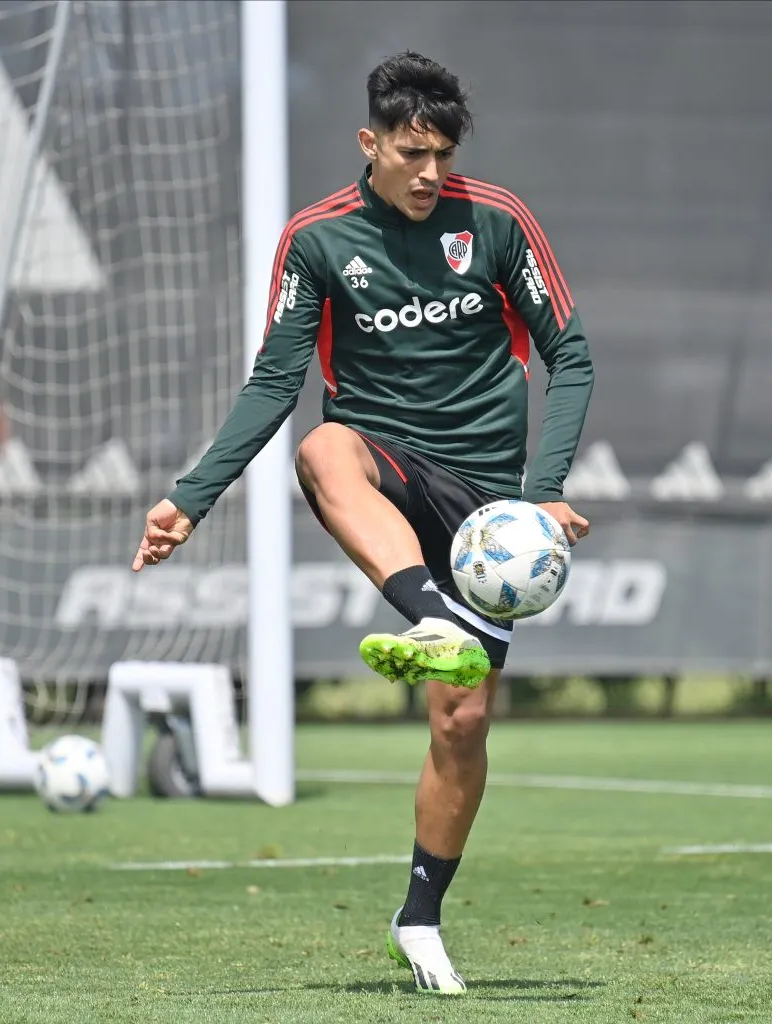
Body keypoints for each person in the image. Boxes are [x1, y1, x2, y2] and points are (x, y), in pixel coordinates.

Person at [131, 51, 594, 995]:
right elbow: (276, 380)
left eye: (443, 153)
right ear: (369, 143)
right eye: (412, 152)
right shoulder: (318, 241)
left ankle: (418, 917)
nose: (430, 172)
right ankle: (429, 615)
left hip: (489, 510)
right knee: (324, 446)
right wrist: (192, 494)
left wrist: (542, 492)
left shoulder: (497, 222)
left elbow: (571, 356)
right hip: (387, 464)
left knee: (460, 724)